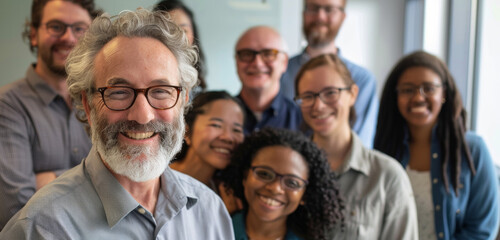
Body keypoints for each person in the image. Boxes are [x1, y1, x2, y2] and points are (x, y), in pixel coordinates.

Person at [0, 9, 234, 239]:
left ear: (182, 100)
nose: (142, 116)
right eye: (119, 92)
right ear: (88, 104)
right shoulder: (42, 228)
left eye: (161, 91)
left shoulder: (211, 211)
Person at [374, 51, 499, 239]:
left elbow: (481, 230)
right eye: (407, 90)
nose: (418, 98)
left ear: (444, 94)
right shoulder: (384, 150)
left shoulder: (473, 151)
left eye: (429, 88)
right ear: (395, 96)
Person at [294, 53, 418, 239]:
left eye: (330, 93)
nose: (318, 106)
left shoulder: (387, 176)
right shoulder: (289, 169)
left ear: (353, 94)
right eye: (308, 96)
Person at [0, 0, 99, 229]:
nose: (68, 38)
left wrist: (50, 179)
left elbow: (123, 184)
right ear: (34, 35)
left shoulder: (101, 101)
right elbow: (16, 213)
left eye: (79, 29)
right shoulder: (7, 105)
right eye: (56, 27)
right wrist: (94, 180)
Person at [281, 0, 378, 148]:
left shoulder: (362, 79)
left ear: (343, 16)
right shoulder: (281, 72)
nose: (320, 16)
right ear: (303, 13)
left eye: (329, 9)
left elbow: (360, 146)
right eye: (313, 8)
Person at [220, 128, 344, 240]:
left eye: (292, 182)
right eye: (264, 174)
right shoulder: (214, 229)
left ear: (305, 194)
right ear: (245, 176)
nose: (275, 188)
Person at [170, 90, 245, 191]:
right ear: (186, 131)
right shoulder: (155, 178)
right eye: (216, 125)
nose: (228, 137)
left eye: (236, 130)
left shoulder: (224, 196)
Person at [235, 26, 302, 135]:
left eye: (268, 54)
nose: (257, 63)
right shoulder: (220, 116)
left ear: (284, 62)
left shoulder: (302, 121)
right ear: (236, 61)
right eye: (247, 54)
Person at [154, 0, 207, 93]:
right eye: (169, 30)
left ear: (193, 35)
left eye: (183, 30)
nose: (178, 37)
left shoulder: (200, 90)